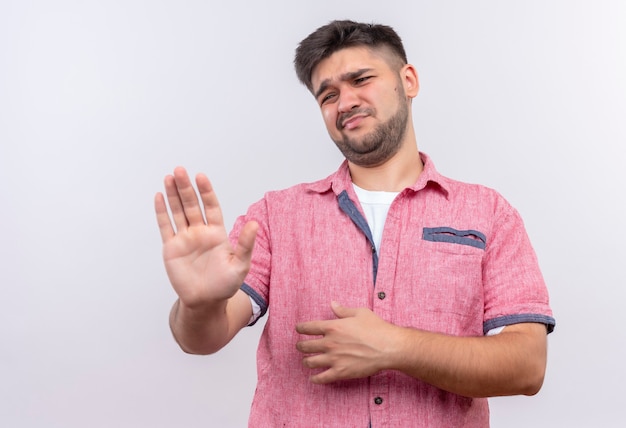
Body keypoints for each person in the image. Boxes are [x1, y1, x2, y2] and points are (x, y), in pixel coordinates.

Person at [154, 19, 555, 428]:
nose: (344, 102)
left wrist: (396, 347)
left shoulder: (487, 213)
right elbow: (201, 338)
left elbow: (527, 367)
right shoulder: (275, 216)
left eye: (360, 79)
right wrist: (199, 304)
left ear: (409, 80)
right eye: (327, 95)